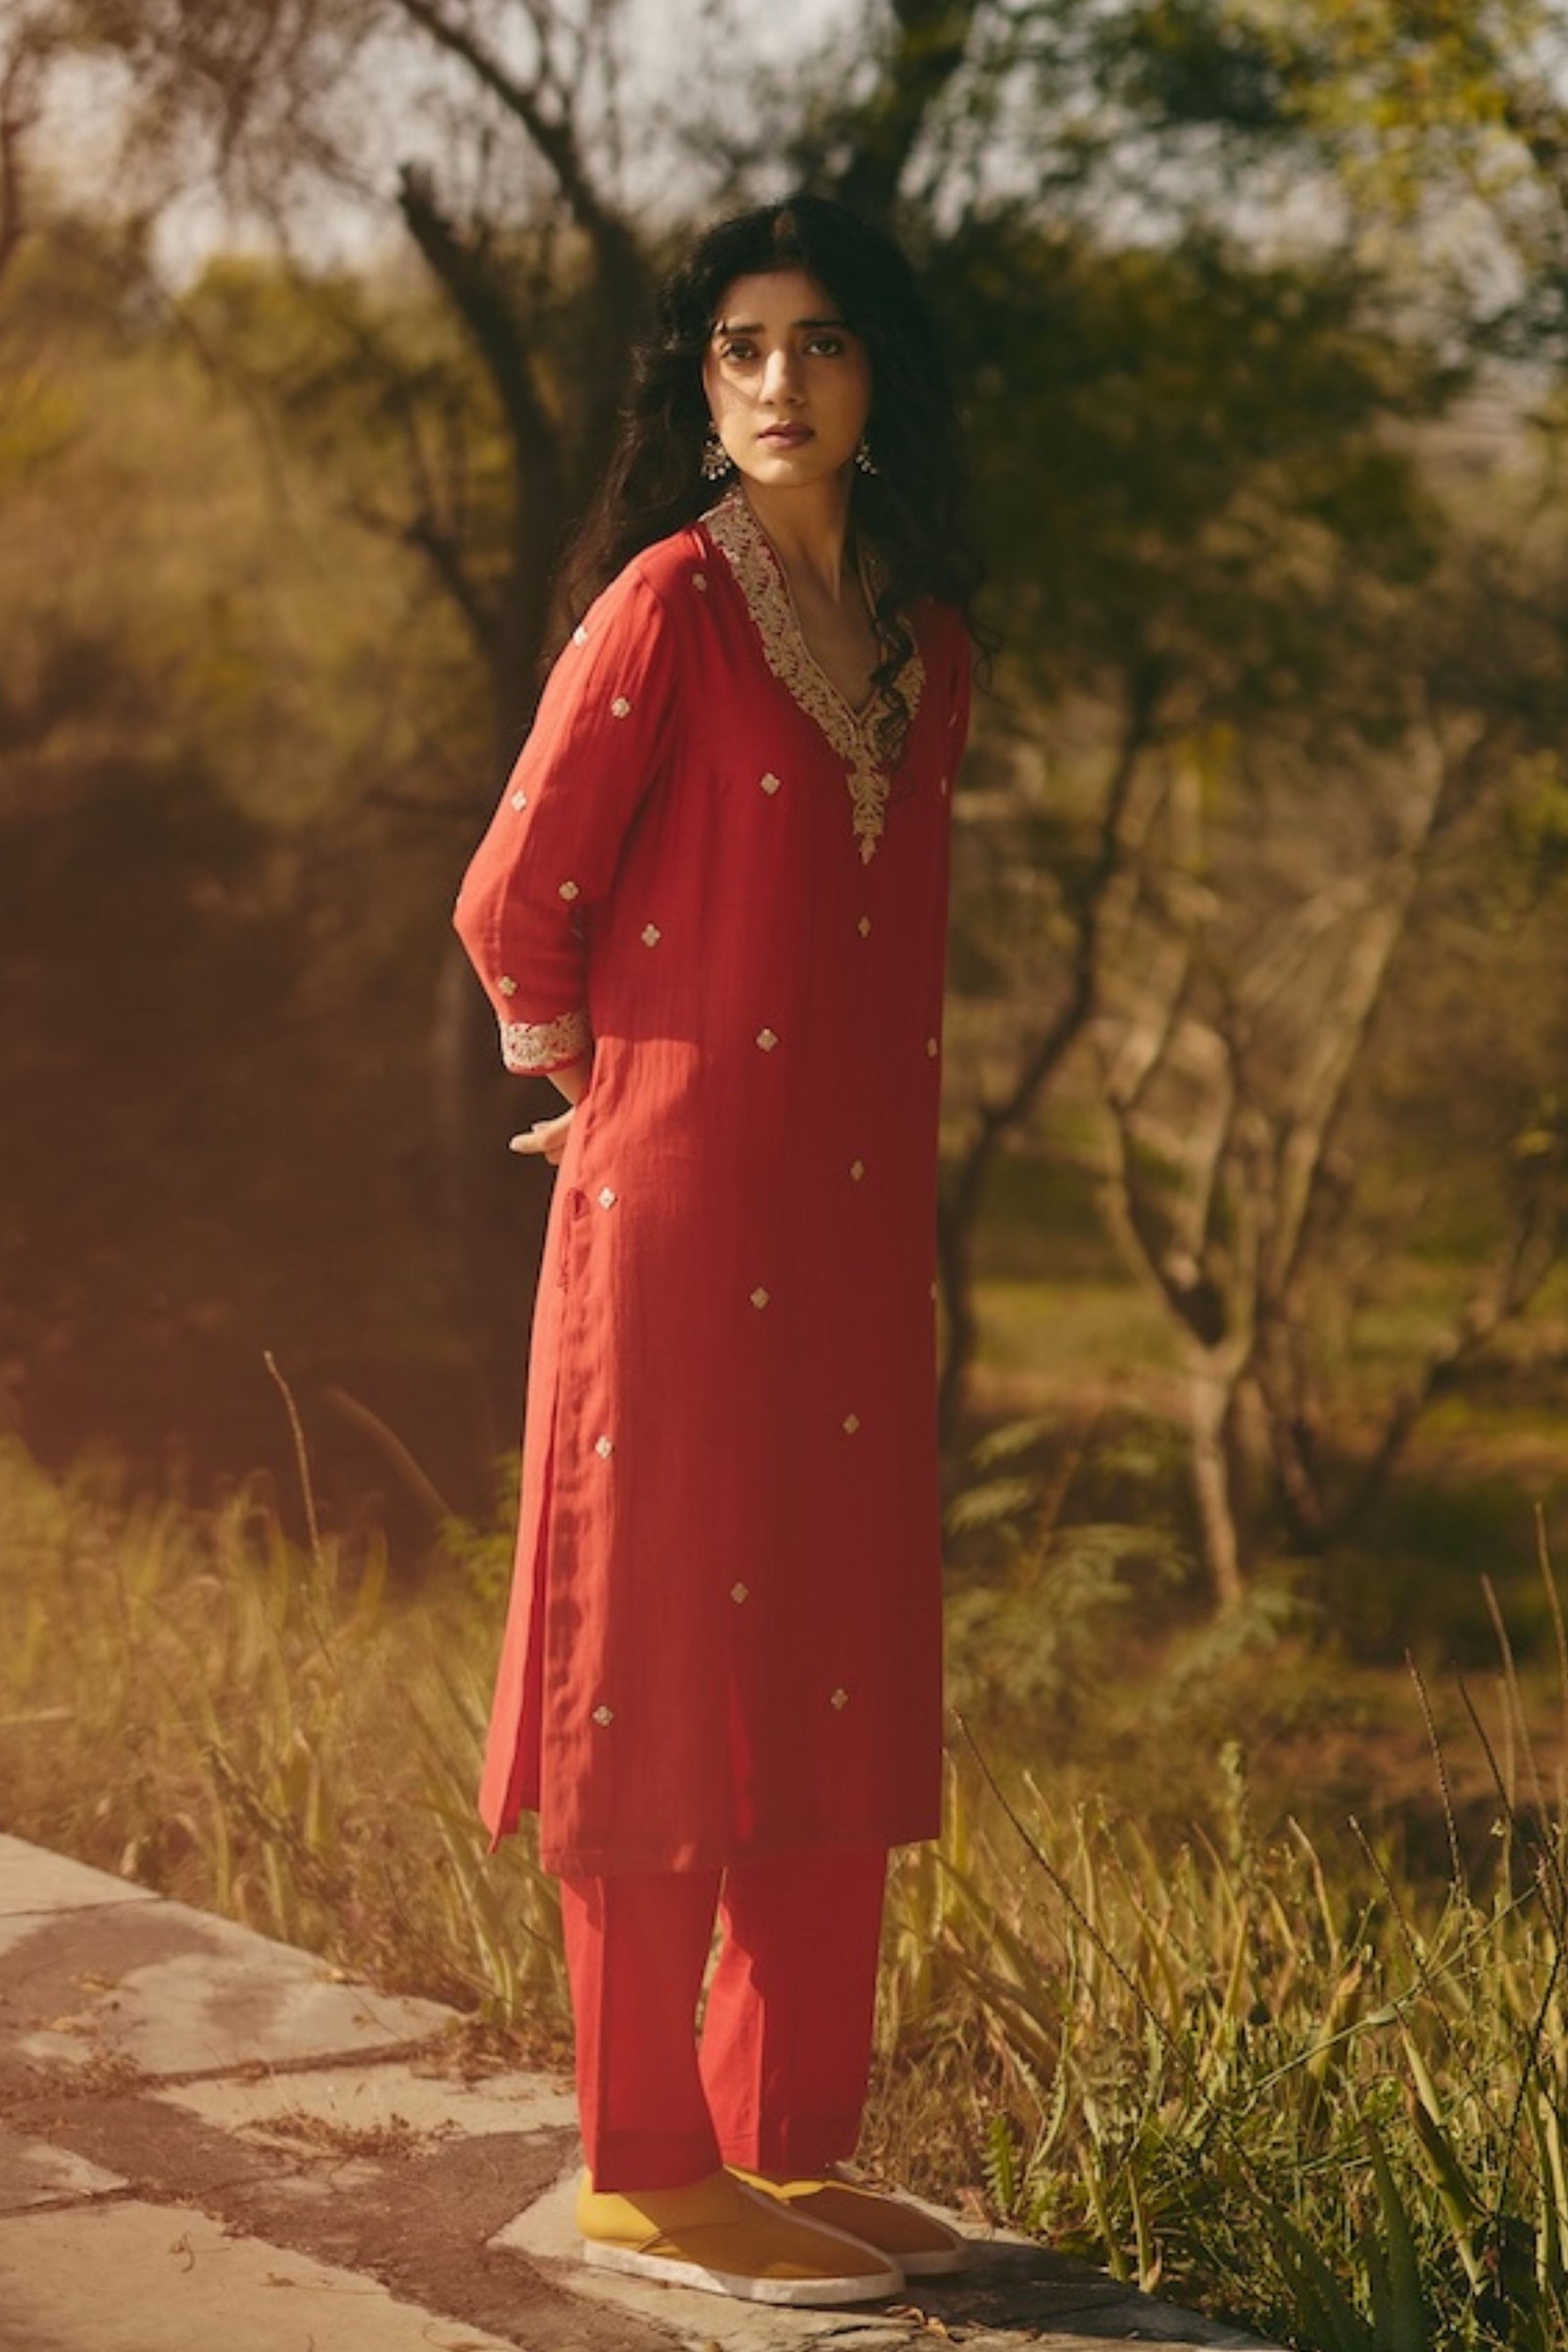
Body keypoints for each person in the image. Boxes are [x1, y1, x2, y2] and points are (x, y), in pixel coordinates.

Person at [453, 191, 981, 2308]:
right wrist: (608, 1093)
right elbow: (516, 899)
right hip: (673, 1229)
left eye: (820, 342)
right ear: (697, 386)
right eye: (740, 347)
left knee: (828, 1639)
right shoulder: (668, 606)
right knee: (664, 1649)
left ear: (877, 376)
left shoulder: (929, 645)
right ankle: (642, 2163)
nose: (779, 381)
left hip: (848, 1221)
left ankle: (783, 2139)